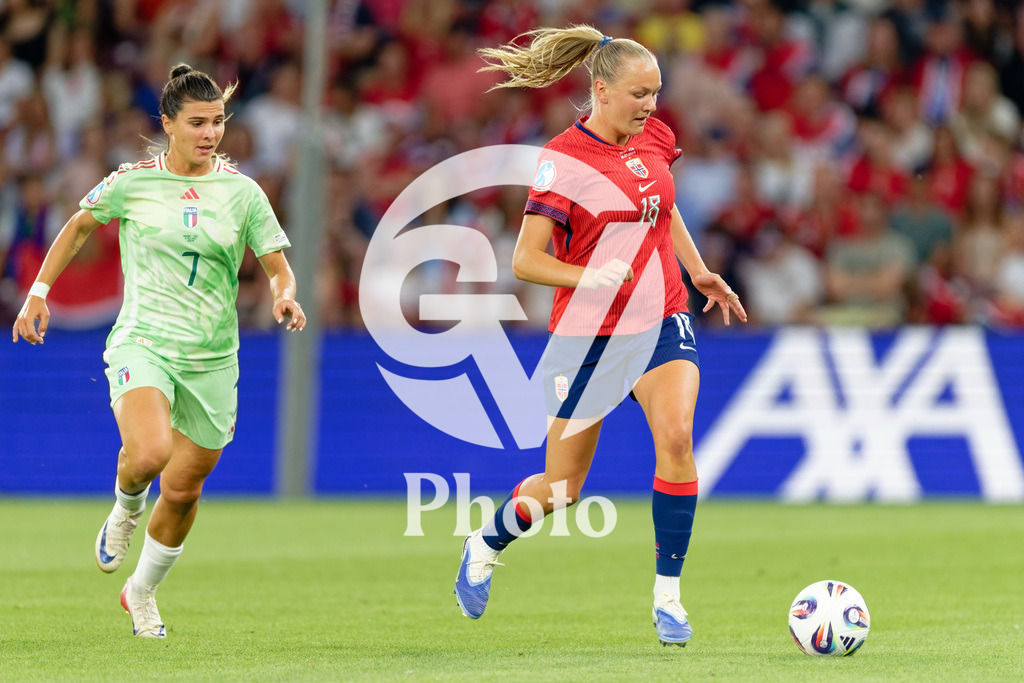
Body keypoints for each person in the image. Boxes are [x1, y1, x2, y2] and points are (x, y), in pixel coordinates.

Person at [455, 26, 746, 647]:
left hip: (661, 316)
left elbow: (661, 207)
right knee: (561, 488)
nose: (651, 105)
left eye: (656, 93)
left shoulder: (656, 137)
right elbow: (526, 260)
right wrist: (589, 276)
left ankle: (668, 597)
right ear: (602, 90)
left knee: (676, 437)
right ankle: (485, 542)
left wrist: (697, 271)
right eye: (640, 94)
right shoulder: (562, 161)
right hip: (588, 335)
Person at [11, 64, 306, 638]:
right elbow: (78, 226)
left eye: (217, 122)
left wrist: (284, 296)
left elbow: (277, 267)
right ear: (168, 124)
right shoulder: (132, 181)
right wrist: (38, 292)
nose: (210, 133)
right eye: (197, 123)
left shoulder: (243, 193)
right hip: (144, 341)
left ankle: (141, 592)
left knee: (184, 490)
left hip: (213, 358)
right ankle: (125, 508)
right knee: (149, 453)